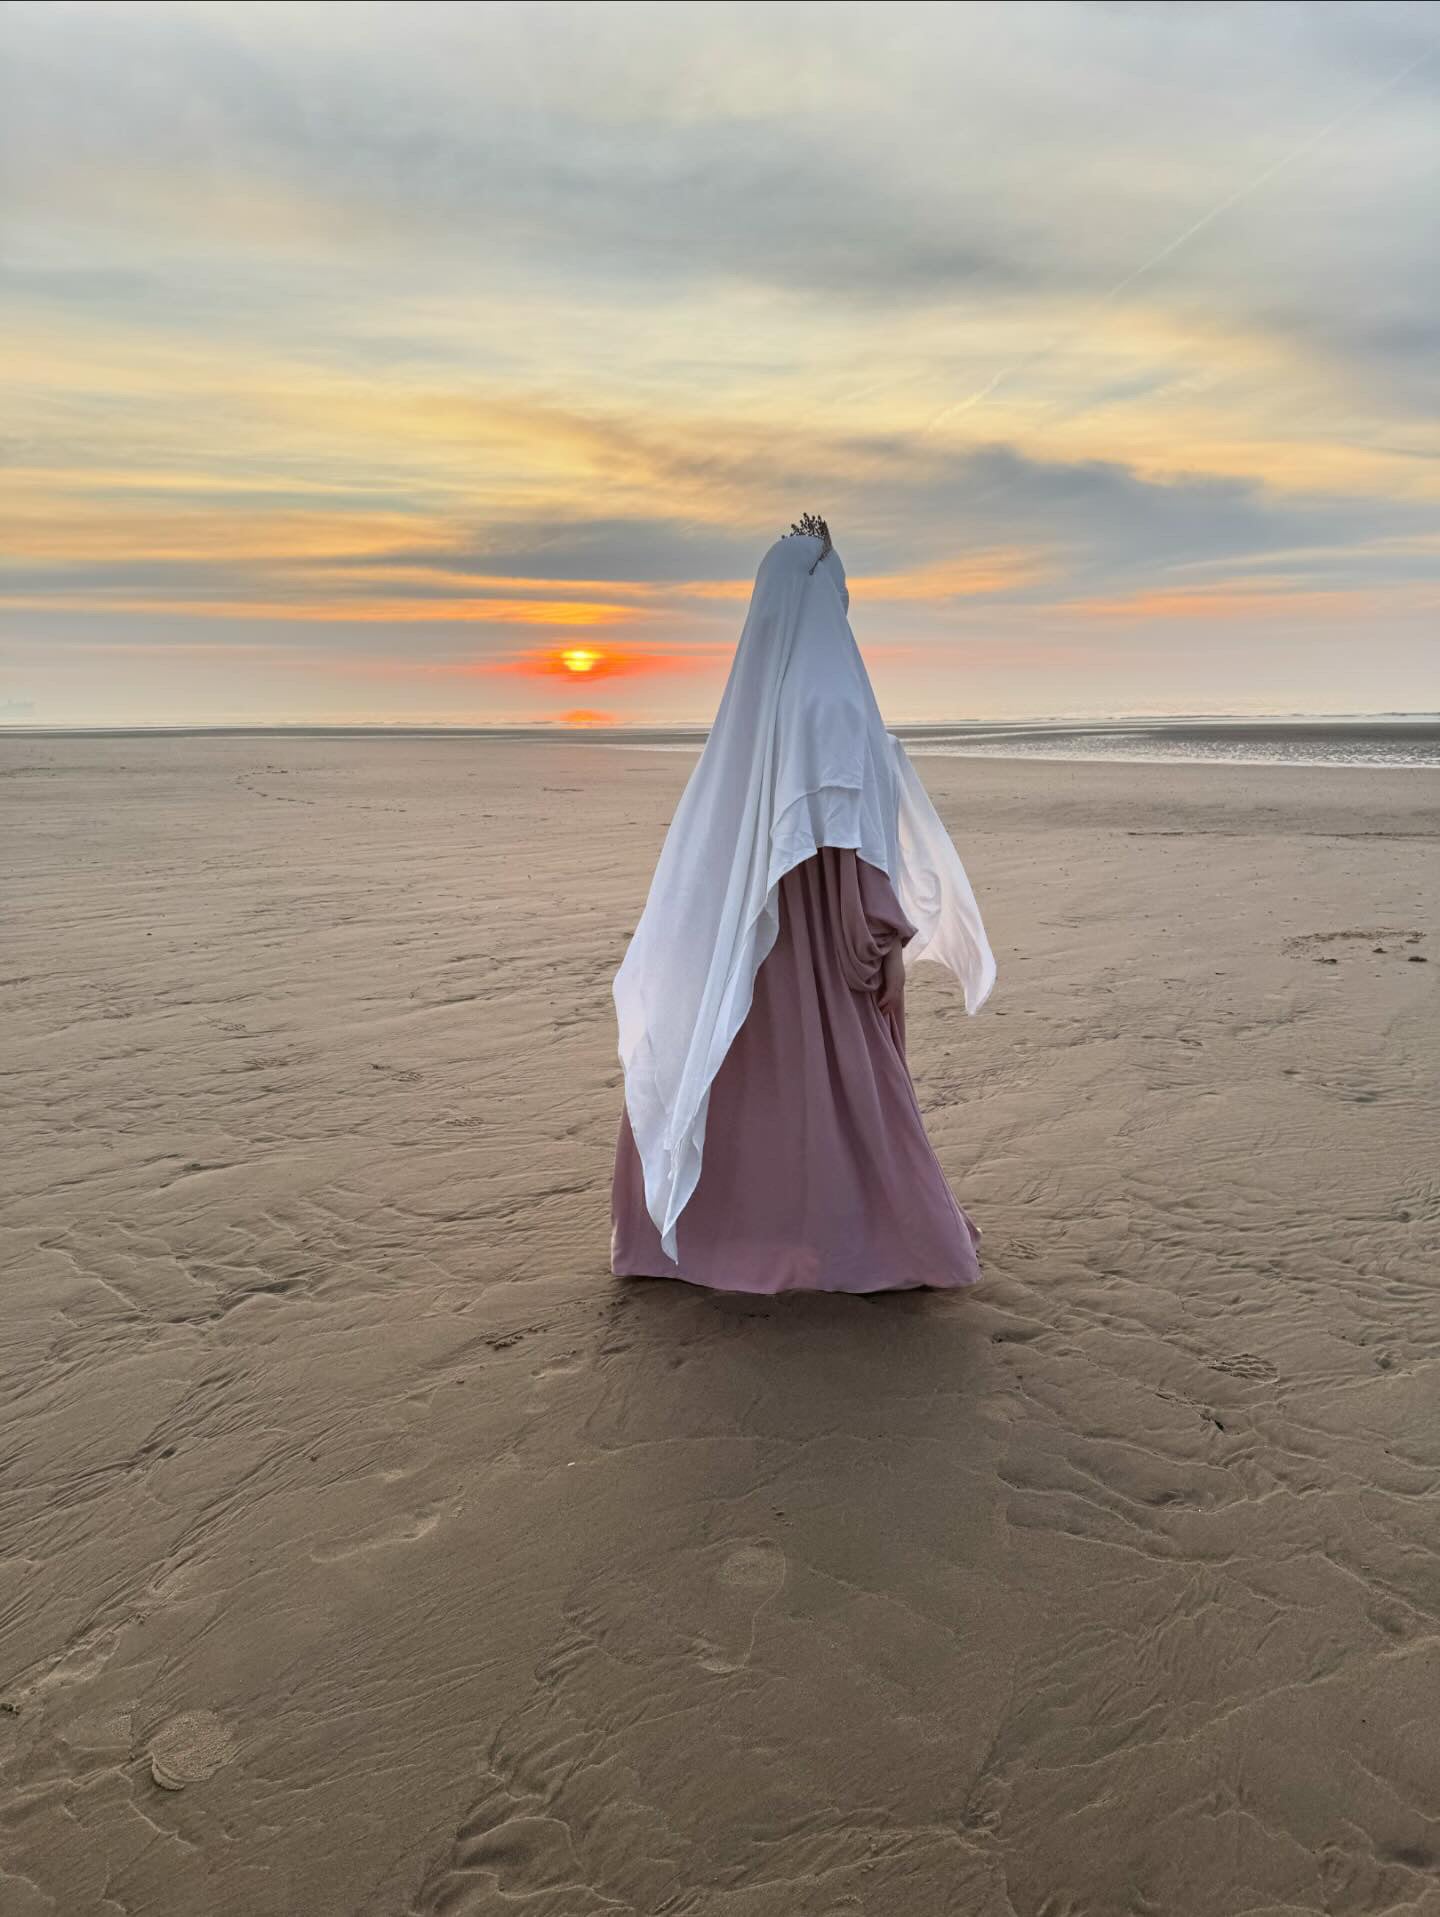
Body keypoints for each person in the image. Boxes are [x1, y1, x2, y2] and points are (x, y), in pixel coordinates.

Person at [610, 516, 995, 1295]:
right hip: (820, 932)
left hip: (751, 933)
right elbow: (849, 835)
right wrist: (878, 941)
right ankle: (863, 1241)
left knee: (751, 1080)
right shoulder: (834, 697)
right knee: (842, 1090)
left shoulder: (768, 698)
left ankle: (709, 1239)